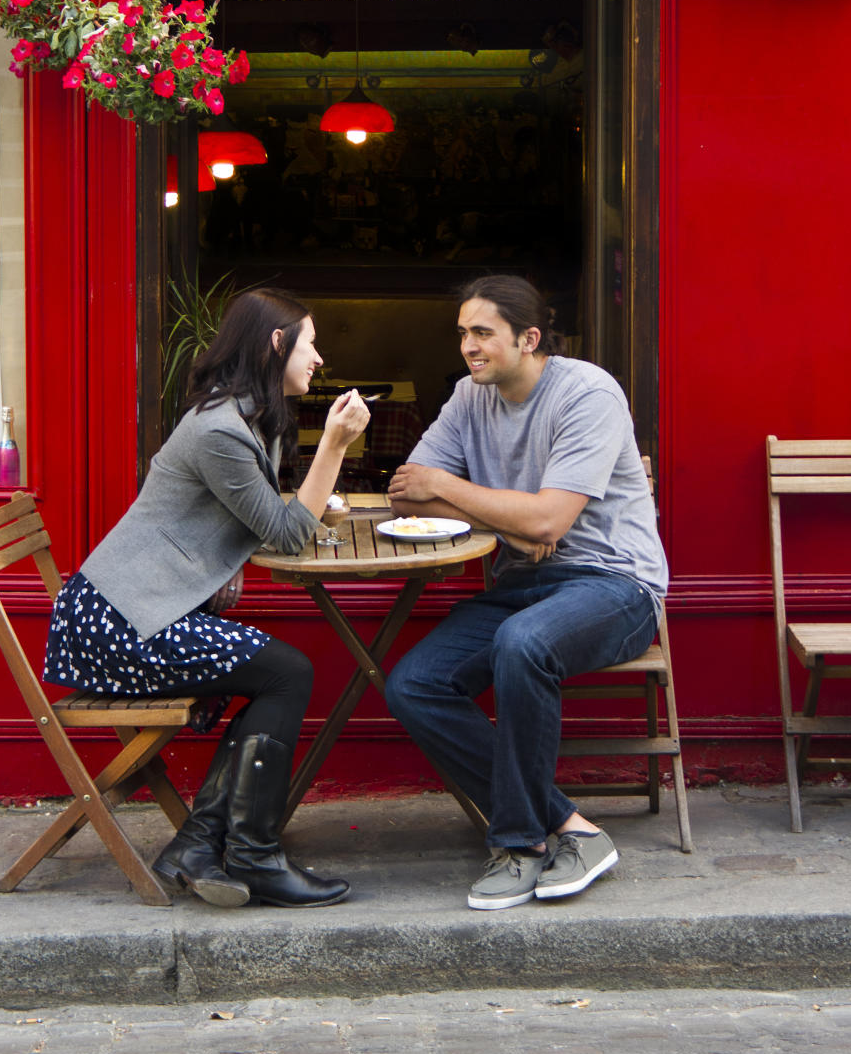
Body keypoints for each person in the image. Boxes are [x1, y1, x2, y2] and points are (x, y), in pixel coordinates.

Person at [43, 288, 369, 909]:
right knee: (287, 672)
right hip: (117, 625)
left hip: (138, 612)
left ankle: (199, 846)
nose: (319, 358)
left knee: (276, 674)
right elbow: (289, 533)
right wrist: (334, 446)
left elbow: (275, 517)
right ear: (278, 345)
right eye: (310, 343)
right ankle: (253, 854)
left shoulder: (243, 420)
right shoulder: (220, 430)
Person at [384, 275, 667, 911]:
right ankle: (570, 827)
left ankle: (517, 845)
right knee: (412, 684)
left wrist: (491, 504)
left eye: (482, 333)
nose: (468, 347)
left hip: (615, 583)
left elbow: (544, 524)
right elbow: (408, 491)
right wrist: (511, 515)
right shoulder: (467, 397)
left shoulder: (587, 393)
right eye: (463, 333)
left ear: (529, 338)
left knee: (522, 643)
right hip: (524, 583)